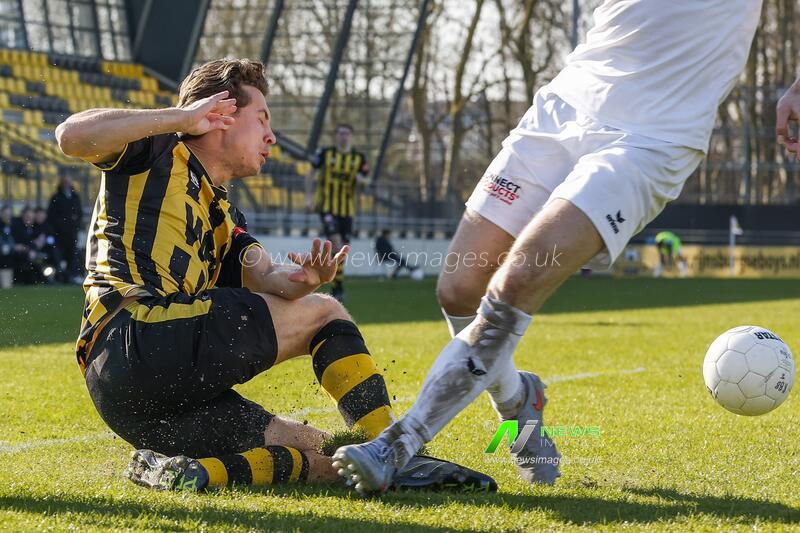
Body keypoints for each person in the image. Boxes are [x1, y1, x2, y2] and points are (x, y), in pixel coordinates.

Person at [332, 0, 764, 494]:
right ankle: (519, 403)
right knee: (459, 288)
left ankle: (395, 446)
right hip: (567, 105)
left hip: (654, 134)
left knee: (515, 283)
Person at [56, 58, 493, 493]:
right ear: (220, 114)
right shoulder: (156, 149)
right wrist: (183, 118)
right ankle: (397, 451)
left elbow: (267, 275)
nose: (272, 136)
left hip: (129, 398)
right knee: (326, 315)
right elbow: (70, 136)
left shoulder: (225, 215)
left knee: (323, 453)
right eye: (262, 118)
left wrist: (304, 281)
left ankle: (193, 473)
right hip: (137, 335)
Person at [304, 124, 370, 302]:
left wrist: (361, 180)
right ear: (336, 136)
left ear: (351, 136)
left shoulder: (359, 158)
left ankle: (337, 284)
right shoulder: (325, 154)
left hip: (347, 210)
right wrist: (309, 198)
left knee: (341, 250)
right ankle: (338, 286)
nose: (344, 137)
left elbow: (366, 181)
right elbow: (310, 174)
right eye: (340, 133)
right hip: (327, 207)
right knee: (336, 242)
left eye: (347, 134)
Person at [47, 176, 83, 284]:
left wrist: (76, 224)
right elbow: (52, 216)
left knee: (72, 256)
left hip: (72, 233)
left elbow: (79, 213)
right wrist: (60, 226)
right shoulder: (56, 197)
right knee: (59, 256)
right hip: (60, 234)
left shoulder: (75, 197)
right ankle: (60, 276)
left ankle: (71, 276)